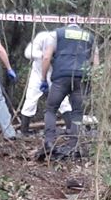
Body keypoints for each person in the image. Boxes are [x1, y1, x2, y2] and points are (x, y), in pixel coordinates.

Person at [40, 17, 99, 158]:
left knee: (51, 109)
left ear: (67, 24)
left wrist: (43, 78)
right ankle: (74, 145)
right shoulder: (90, 37)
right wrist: (93, 80)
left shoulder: (57, 34)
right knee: (77, 113)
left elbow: (47, 57)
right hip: (82, 77)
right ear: (79, 25)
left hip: (61, 76)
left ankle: (49, 142)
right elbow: (96, 63)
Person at [20, 30, 72, 136]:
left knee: (63, 100)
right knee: (31, 99)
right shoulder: (42, 36)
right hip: (38, 73)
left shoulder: (64, 41)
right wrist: (44, 55)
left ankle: (70, 128)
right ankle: (24, 130)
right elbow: (28, 53)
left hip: (55, 73)